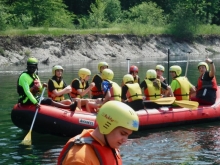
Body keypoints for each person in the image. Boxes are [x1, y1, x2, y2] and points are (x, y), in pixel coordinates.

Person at [57, 100, 139, 165]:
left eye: (128, 135)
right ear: (107, 125)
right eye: (123, 133)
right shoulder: (80, 158)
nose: (125, 140)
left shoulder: (109, 145)